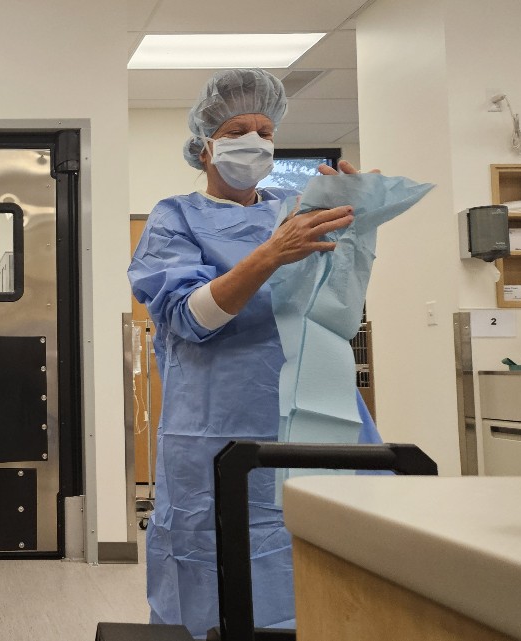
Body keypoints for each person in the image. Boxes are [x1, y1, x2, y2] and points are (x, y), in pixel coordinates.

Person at [128, 69, 379, 637]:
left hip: (313, 417)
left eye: (265, 130)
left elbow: (337, 313)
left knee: (322, 559)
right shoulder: (176, 217)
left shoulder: (296, 211)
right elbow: (190, 319)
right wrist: (269, 255)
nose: (255, 140)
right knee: (214, 564)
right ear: (205, 145)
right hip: (216, 425)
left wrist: (360, 222)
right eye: (238, 128)